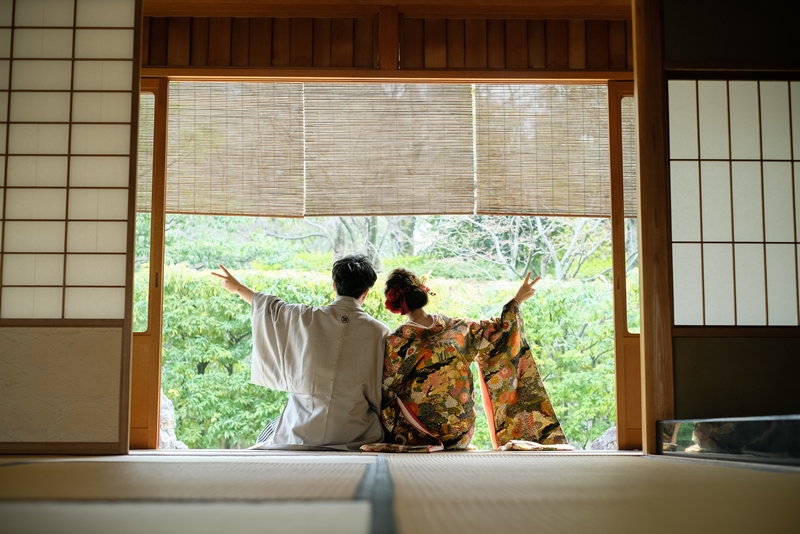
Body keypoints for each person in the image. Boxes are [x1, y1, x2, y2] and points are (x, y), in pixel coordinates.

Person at [362, 268, 569, 452]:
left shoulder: (398, 341)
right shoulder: (457, 328)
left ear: (396, 303)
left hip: (417, 435)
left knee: (388, 397)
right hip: (460, 433)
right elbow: (498, 331)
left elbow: (385, 388)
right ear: (422, 293)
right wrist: (516, 301)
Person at [212, 255, 390, 450]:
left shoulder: (306, 318)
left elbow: (271, 309)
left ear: (334, 286)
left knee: (268, 433)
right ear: (366, 292)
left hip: (300, 430)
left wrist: (238, 288)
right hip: (356, 433)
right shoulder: (379, 331)